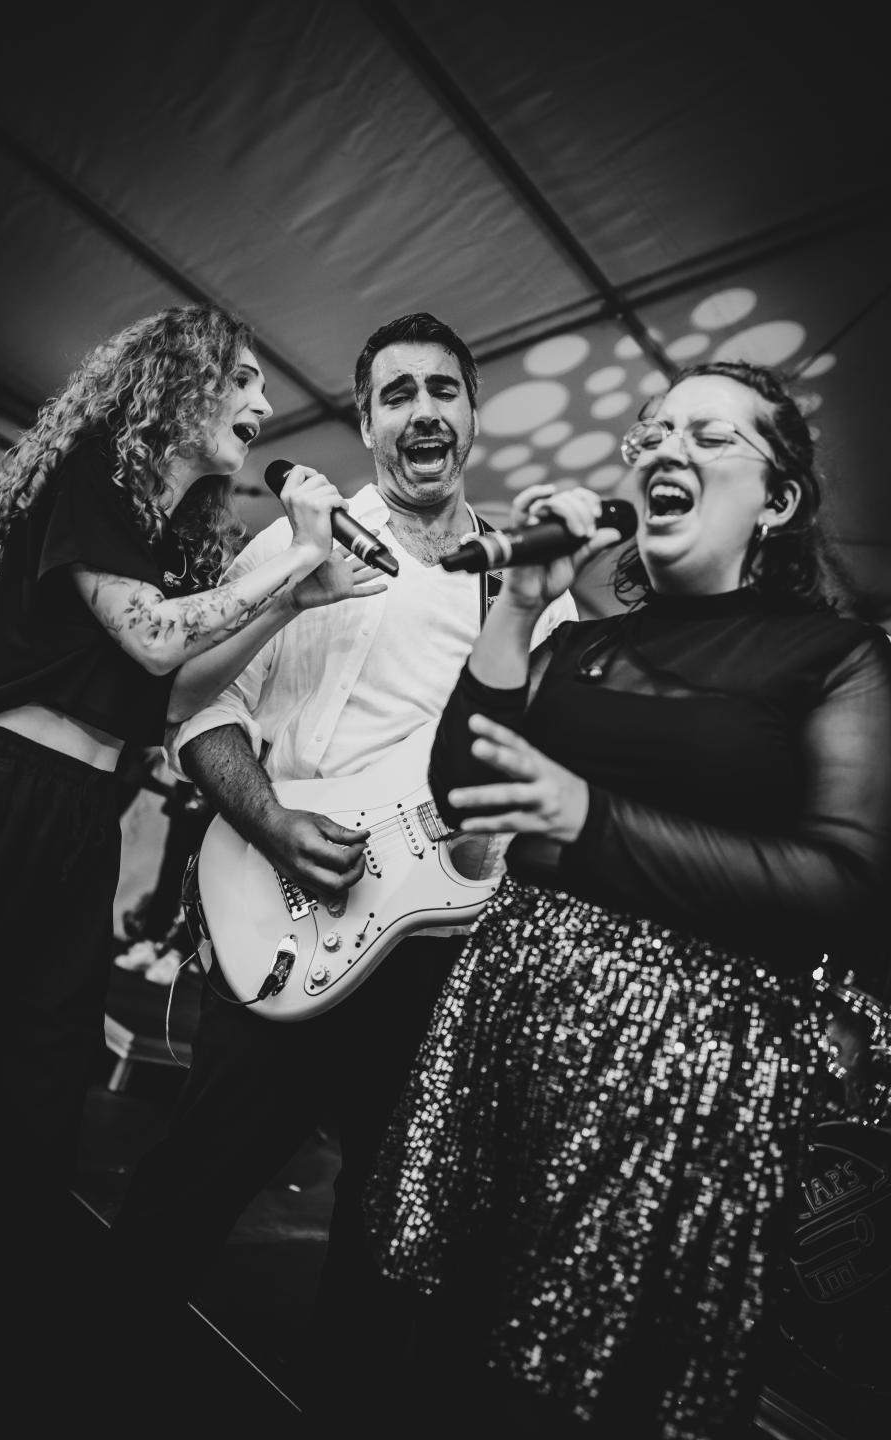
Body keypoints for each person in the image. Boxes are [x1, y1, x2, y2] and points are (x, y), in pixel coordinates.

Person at [364, 360, 891, 1440]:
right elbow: (460, 788)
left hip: (681, 1069)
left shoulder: (836, 658)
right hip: (505, 1030)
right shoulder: (577, 642)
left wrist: (591, 818)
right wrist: (521, 598)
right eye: (652, 434)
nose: (664, 450)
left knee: (589, 1381)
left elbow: (844, 882)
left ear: (779, 499)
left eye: (708, 435)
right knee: (438, 1355)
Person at [107, 312, 578, 1421]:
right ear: (366, 423)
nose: (424, 411)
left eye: (444, 390)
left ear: (472, 414)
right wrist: (273, 822)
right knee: (189, 1186)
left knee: (384, 1235)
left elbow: (540, 769)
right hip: (282, 913)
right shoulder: (298, 541)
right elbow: (199, 708)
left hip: (436, 953)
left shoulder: (528, 588)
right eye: (397, 394)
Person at [0, 301, 381, 1417]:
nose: (265, 403)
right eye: (241, 379)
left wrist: (296, 599)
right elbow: (149, 634)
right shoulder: (94, 474)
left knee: (41, 1092)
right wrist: (301, 553)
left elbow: (170, 692)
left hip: (83, 818)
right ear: (177, 382)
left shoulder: (180, 538)